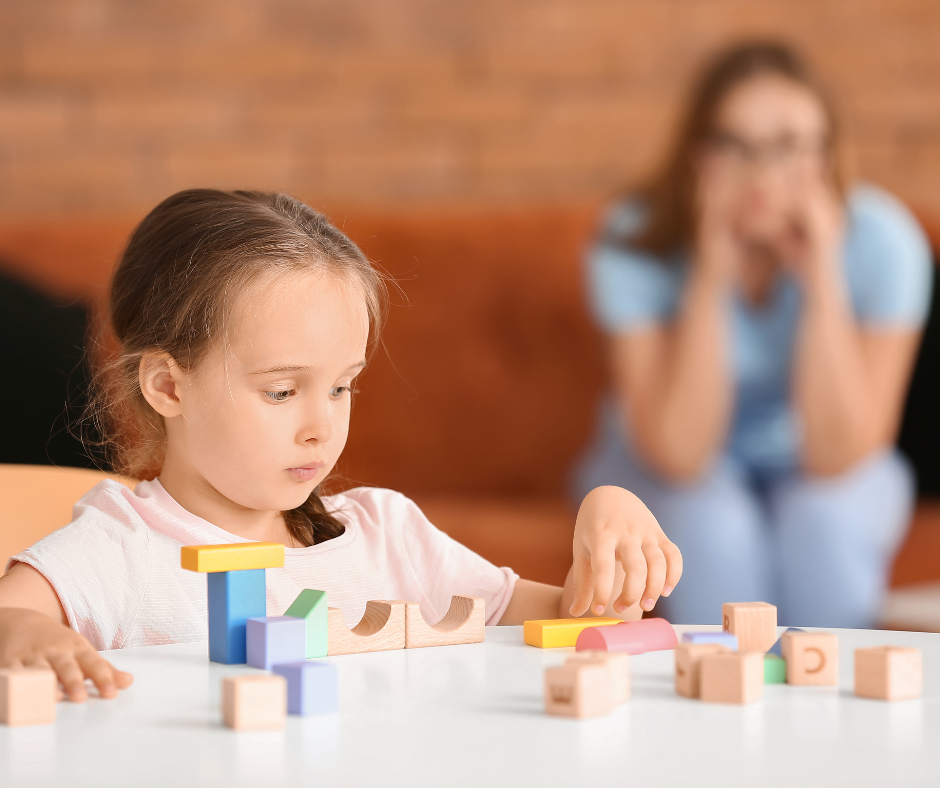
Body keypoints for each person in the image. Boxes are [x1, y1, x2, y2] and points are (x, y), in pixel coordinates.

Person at [0, 189, 681, 702]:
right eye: (281, 391)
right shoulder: (118, 547)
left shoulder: (387, 537)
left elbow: (577, 625)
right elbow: (9, 621)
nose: (321, 428)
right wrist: (25, 636)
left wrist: (612, 511)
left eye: (341, 388)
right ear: (168, 388)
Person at [573, 42, 933, 629]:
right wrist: (710, 278)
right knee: (710, 526)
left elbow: (840, 456)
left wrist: (822, 279)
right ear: (699, 157)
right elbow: (680, 454)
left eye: (790, 146)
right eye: (737, 148)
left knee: (826, 523)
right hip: (665, 461)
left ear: (827, 155)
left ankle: (829, 709)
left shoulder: (886, 243)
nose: (764, 175)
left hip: (822, 464)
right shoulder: (629, 238)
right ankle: (722, 701)